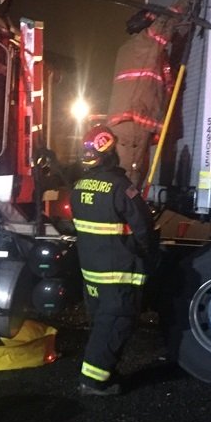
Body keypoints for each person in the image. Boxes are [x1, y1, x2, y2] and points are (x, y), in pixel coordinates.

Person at [70, 125, 157, 395]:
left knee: (102, 323)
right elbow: (143, 227)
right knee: (116, 323)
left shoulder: (78, 187)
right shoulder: (120, 187)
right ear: (110, 153)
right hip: (117, 273)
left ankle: (103, 372)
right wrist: (149, 256)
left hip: (91, 273)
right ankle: (93, 381)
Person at [106, 0, 195, 187]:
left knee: (124, 175)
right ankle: (129, 206)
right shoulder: (147, 42)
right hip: (134, 123)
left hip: (124, 125)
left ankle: (125, 204)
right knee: (131, 178)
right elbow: (168, 19)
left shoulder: (127, 49)